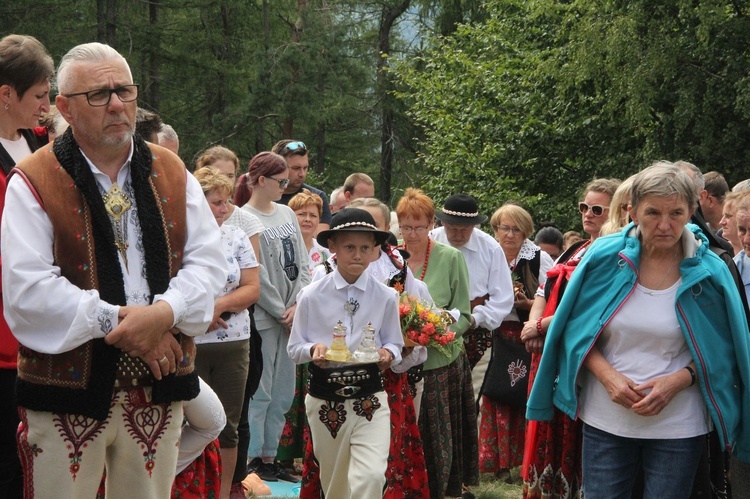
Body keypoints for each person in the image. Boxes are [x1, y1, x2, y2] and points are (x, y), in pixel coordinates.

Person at [2, 42, 226, 498]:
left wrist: (164, 314)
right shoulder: (33, 178)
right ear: (63, 106)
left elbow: (208, 263)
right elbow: (28, 289)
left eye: (125, 90)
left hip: (158, 390)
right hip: (67, 394)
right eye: (99, 94)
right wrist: (125, 323)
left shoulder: (171, 170)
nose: (118, 104)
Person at [527, 163, 750, 499]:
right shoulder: (603, 257)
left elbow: (727, 349)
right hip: (606, 419)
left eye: (676, 212)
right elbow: (574, 328)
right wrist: (608, 378)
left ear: (692, 211)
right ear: (631, 211)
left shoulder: (711, 271)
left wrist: (679, 380)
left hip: (680, 424)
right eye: (653, 212)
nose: (664, 224)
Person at [288, 208, 404, 499]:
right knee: (336, 484)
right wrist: (314, 348)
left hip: (370, 397)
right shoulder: (312, 295)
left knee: (371, 476)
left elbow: (395, 344)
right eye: (350, 247)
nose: (358, 255)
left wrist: (387, 354)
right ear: (333, 248)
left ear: (375, 250)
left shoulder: (386, 296)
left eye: (365, 248)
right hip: (326, 399)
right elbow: (294, 348)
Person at [519, 177, 620, 499]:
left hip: (579, 355)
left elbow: (592, 308)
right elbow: (541, 291)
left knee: (572, 431)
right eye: (583, 207)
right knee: (544, 426)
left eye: (596, 209)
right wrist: (533, 323)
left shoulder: (613, 251)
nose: (587, 214)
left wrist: (542, 327)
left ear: (616, 211)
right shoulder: (575, 248)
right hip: (548, 350)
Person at [396, 188, 477, 499]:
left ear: (432, 225)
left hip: (439, 362)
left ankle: (439, 490)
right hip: (400, 361)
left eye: (419, 226)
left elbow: (465, 315)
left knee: (435, 437)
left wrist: (435, 335)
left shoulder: (451, 258)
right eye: (406, 226)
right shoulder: (391, 258)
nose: (412, 233)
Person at [0, 33, 54, 499]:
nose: (47, 104)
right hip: (2, 334)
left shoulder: (42, 144)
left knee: (36, 456)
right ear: (6, 94)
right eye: (39, 95)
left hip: (43, 330)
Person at [240, 151, 311, 483]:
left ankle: (273, 455)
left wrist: (299, 304)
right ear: (261, 180)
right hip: (266, 318)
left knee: (284, 392)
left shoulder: (286, 213)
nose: (286, 186)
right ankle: (253, 458)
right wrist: (280, 310)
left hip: (293, 316)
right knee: (261, 390)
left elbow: (303, 262)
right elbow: (257, 274)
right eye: (281, 181)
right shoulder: (244, 218)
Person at [193, 167, 260, 499]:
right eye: (217, 202)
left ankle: (220, 494)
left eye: (226, 201)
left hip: (233, 343)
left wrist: (216, 308)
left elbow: (252, 288)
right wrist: (198, 314)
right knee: (188, 422)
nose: (225, 209)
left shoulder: (236, 236)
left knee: (228, 426)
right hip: (189, 343)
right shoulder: (180, 235)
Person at [479, 203, 553, 482]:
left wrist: (528, 303)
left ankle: (524, 462)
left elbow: (554, 298)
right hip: (493, 334)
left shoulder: (538, 258)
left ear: (526, 233)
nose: (509, 235)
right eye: (504, 228)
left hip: (525, 335)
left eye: (516, 229)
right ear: (495, 229)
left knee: (521, 394)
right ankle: (496, 462)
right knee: (494, 394)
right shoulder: (488, 254)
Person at [430, 193, 514, 401]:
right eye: (452, 228)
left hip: (475, 332)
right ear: (443, 222)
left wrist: (474, 318)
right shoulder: (431, 241)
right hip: (432, 326)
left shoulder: (490, 248)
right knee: (435, 393)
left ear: (474, 226)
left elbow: (503, 298)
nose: (458, 234)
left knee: (469, 395)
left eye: (464, 230)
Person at [289, 188, 332, 272]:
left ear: (319, 219)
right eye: (302, 214)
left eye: (313, 215)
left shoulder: (326, 251)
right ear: (290, 216)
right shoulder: (282, 250)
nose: (308, 219)